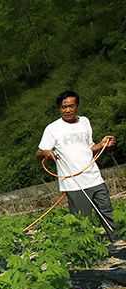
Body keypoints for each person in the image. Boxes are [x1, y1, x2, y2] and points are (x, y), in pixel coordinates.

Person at [37, 90, 118, 241]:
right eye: (63, 107)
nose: (67, 110)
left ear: (77, 106)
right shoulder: (52, 128)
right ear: (59, 108)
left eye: (71, 106)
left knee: (106, 210)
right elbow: (39, 152)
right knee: (82, 219)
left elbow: (90, 147)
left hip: (94, 177)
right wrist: (46, 153)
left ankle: (117, 242)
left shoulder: (85, 121)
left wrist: (102, 144)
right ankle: (89, 249)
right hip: (73, 183)